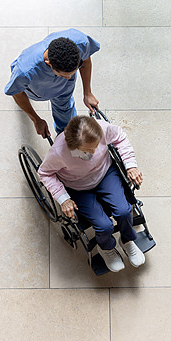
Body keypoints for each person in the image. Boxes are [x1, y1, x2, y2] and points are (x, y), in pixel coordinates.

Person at [38, 115, 145, 272]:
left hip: (105, 173)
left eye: (96, 146)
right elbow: (45, 173)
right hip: (77, 186)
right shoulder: (59, 152)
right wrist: (63, 199)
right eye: (88, 150)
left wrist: (130, 166)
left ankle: (127, 240)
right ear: (73, 146)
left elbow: (120, 138)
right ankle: (106, 248)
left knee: (124, 210)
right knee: (104, 226)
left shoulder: (101, 128)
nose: (94, 152)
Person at [4, 29, 100, 138]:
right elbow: (17, 94)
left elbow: (85, 61)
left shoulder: (80, 43)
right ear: (49, 63)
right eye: (63, 75)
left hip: (64, 92)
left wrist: (87, 93)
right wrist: (36, 119)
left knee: (67, 118)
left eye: (72, 73)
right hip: (38, 90)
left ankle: (65, 138)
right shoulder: (25, 72)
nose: (69, 78)